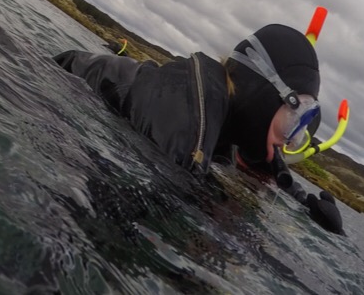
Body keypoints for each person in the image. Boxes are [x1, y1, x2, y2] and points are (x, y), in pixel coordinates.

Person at [55, 23, 346, 235]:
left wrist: (305, 205)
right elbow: (112, 229)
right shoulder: (186, 123)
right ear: (264, 95)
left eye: (298, 134)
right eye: (294, 121)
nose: (288, 141)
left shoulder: (217, 124)